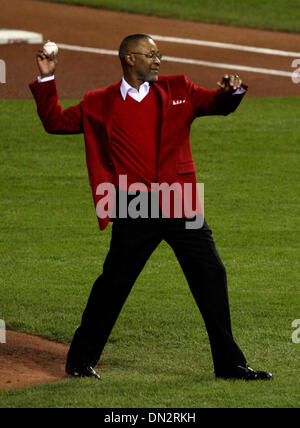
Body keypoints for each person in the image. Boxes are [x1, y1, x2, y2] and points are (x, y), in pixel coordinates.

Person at [30, 34, 273, 381]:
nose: (158, 60)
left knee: (211, 277)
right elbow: (55, 122)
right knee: (114, 284)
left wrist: (231, 91)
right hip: (134, 205)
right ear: (130, 59)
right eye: (151, 54)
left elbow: (218, 104)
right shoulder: (99, 102)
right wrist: (46, 77)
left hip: (180, 201)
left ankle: (230, 364)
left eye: (159, 54)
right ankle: (81, 361)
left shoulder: (179, 90)